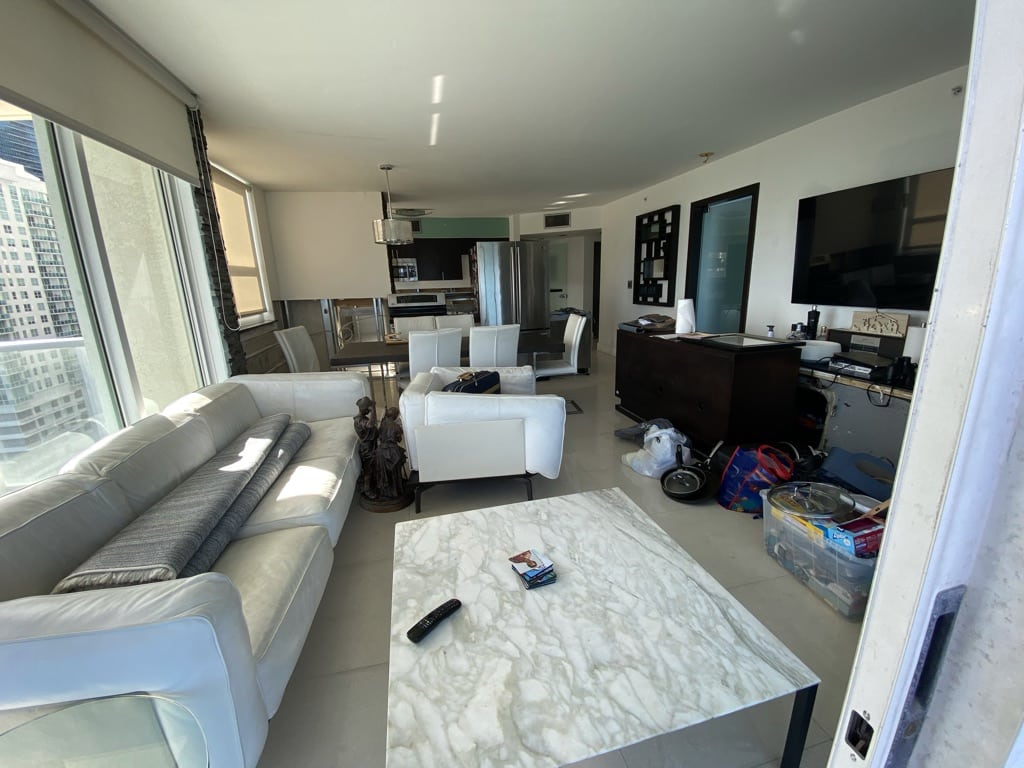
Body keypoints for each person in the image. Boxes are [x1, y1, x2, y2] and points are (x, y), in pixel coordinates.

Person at [374, 407, 408, 500]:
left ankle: (386, 491)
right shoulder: (396, 426)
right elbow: (399, 440)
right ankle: (395, 491)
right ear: (395, 416)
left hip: (381, 451)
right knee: (395, 471)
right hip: (392, 451)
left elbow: (379, 437)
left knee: (383, 472)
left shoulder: (381, 424)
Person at [354, 396, 378, 498]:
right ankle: (367, 489)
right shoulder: (359, 420)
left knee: (373, 467)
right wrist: (373, 411)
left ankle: (374, 484)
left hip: (372, 445)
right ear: (364, 409)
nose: (369, 410)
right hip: (367, 448)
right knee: (368, 469)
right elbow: (370, 425)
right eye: (368, 408)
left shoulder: (364, 418)